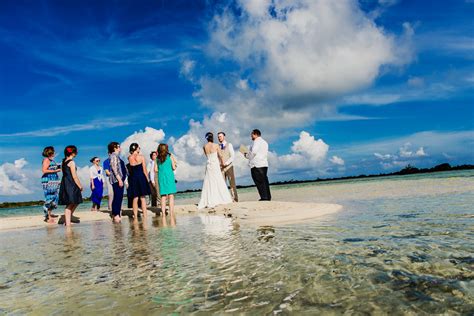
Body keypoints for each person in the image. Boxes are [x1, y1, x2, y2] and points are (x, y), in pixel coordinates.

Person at [198, 132, 233, 209]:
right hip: (215, 165)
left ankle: (210, 199)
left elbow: (206, 155)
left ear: (206, 138)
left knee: (209, 181)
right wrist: (223, 163)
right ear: (212, 138)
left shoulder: (204, 146)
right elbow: (220, 155)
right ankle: (219, 198)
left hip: (209, 164)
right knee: (218, 180)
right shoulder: (216, 145)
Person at [58, 145, 83, 226]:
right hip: (71, 184)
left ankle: (68, 218)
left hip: (66, 183)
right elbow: (74, 176)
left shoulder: (64, 162)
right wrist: (80, 185)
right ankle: (67, 224)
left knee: (76, 201)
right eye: (76, 152)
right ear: (73, 153)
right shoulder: (71, 162)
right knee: (70, 203)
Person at [244, 129, 271, 201]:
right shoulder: (265, 142)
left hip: (256, 164)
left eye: (252, 135)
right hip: (264, 163)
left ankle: (264, 198)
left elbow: (254, 152)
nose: (251, 136)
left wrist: (246, 155)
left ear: (255, 134)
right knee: (264, 181)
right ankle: (268, 197)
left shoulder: (256, 141)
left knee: (259, 181)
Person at [127, 143, 151, 220]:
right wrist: (147, 179)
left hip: (133, 178)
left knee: (135, 197)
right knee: (143, 197)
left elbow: (130, 169)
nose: (139, 149)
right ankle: (145, 215)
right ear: (136, 148)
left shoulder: (129, 157)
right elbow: (144, 169)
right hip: (141, 177)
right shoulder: (141, 157)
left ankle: (135, 216)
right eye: (139, 148)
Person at [41, 146, 61, 223]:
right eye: (54, 151)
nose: (55, 152)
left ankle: (49, 213)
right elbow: (44, 170)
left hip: (53, 180)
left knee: (55, 197)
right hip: (49, 180)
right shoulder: (46, 160)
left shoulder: (51, 160)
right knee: (50, 197)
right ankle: (47, 217)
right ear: (50, 152)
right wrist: (56, 170)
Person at [108, 142, 127, 223]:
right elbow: (114, 168)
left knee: (119, 196)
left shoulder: (117, 157)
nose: (120, 148)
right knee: (118, 196)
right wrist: (119, 179)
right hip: (117, 180)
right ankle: (116, 214)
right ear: (114, 148)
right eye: (118, 146)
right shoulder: (113, 156)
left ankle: (116, 213)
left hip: (119, 179)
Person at [157, 143, 177, 217]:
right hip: (169, 176)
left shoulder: (157, 158)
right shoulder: (169, 156)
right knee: (171, 195)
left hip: (161, 177)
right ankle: (171, 213)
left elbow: (156, 169)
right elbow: (174, 167)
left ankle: (163, 213)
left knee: (163, 196)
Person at [218, 132, 239, 202]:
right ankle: (224, 199)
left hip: (229, 166)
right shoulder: (217, 146)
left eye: (220, 136)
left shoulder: (229, 145)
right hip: (220, 168)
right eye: (218, 137)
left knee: (232, 183)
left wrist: (226, 163)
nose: (219, 138)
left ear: (224, 136)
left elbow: (232, 156)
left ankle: (235, 199)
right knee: (222, 184)